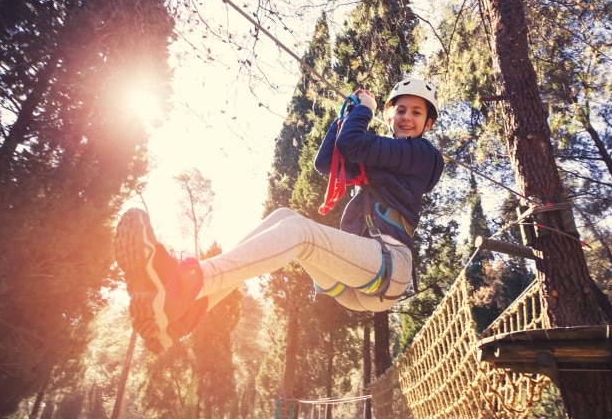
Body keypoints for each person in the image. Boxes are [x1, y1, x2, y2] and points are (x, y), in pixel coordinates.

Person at [115, 78, 444, 353]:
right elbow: (327, 162)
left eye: (416, 112)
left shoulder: (423, 155)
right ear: (391, 117)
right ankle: (181, 318)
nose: (406, 117)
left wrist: (365, 109)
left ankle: (186, 284)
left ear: (428, 124)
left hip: (389, 266)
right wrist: (343, 118)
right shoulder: (385, 157)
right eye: (400, 110)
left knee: (301, 233)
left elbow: (355, 144)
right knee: (283, 215)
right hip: (354, 280)